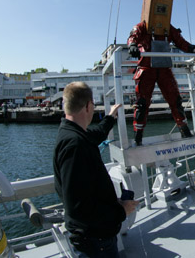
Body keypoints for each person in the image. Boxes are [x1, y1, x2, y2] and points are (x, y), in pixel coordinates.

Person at [53, 82, 139, 257]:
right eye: (93, 105)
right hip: (95, 242)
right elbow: (78, 207)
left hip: (93, 237)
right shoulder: (75, 145)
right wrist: (120, 211)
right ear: (88, 106)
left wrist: (110, 117)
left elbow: (97, 133)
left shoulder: (72, 134)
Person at [128, 20, 195, 145]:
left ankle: (184, 130)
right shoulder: (142, 26)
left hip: (164, 68)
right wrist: (132, 45)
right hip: (146, 68)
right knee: (142, 103)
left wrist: (194, 49)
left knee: (176, 100)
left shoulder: (168, 28)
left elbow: (180, 42)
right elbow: (133, 36)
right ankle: (138, 136)